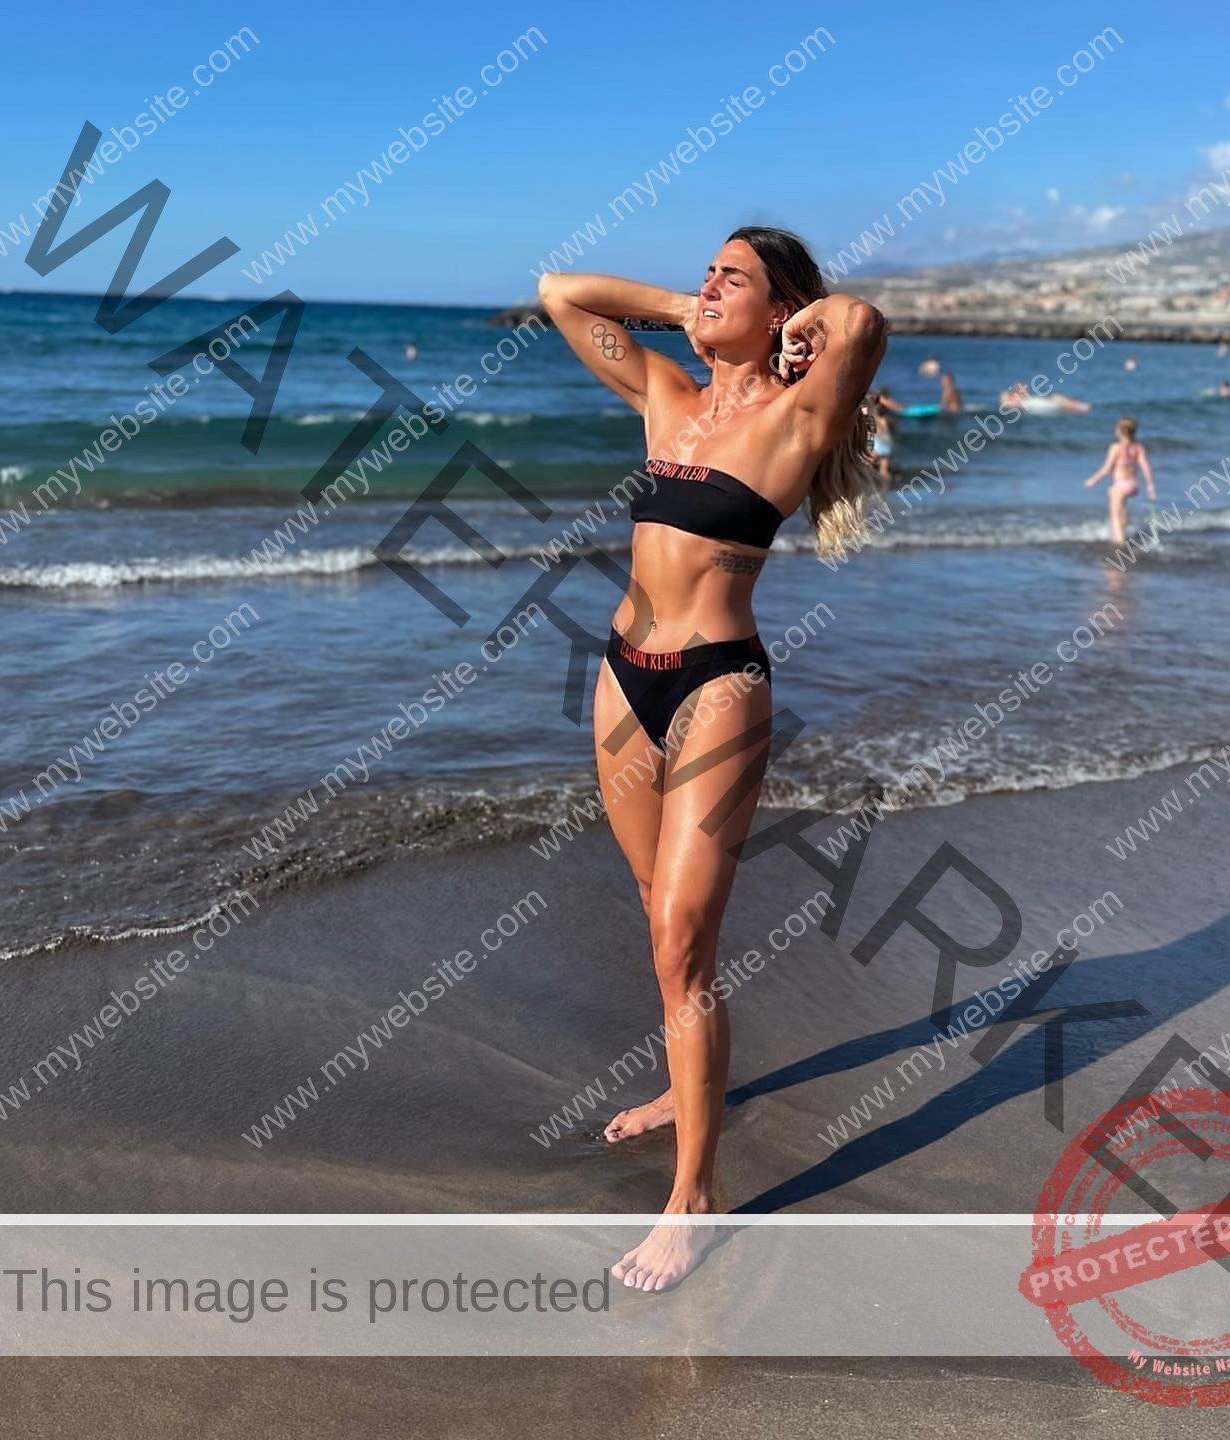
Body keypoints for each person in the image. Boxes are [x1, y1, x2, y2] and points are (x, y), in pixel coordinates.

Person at [537, 228, 885, 1291]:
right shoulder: (666, 395)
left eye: (731, 277)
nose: (706, 287)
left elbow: (861, 322)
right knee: (655, 916)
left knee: (686, 935)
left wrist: (797, 330)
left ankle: (692, 1196)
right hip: (619, 679)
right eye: (705, 274)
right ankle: (687, 1090)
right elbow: (563, 292)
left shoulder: (799, 414)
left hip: (717, 690)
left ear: (782, 311)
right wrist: (694, 312)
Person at [1084, 415, 1156, 546]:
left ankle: (1120, 544)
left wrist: (1093, 480)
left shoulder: (1115, 448)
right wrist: (1150, 486)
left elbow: (1107, 469)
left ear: (1119, 431)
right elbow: (1146, 466)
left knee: (1115, 516)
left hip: (1121, 485)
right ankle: (1125, 531)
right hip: (1133, 486)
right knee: (1121, 509)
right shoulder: (1138, 448)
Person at [869, 387, 903, 485]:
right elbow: (895, 429)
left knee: (870, 466)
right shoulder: (887, 420)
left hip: (877, 446)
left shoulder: (874, 419)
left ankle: (871, 483)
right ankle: (885, 486)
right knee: (884, 471)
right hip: (886, 446)